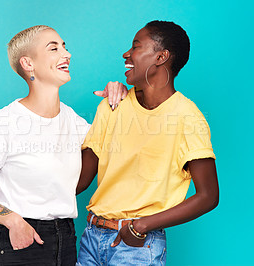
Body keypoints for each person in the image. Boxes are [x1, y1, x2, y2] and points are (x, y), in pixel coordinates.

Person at [0, 25, 127, 266]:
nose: (66, 54)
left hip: (66, 240)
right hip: (19, 242)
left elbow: (119, 142)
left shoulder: (73, 120)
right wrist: (12, 221)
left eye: (65, 47)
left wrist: (120, 96)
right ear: (28, 63)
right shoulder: (2, 122)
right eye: (54, 48)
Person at [76, 20, 219, 265]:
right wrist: (17, 210)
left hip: (138, 246)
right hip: (91, 239)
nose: (126, 54)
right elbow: (79, 180)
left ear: (161, 57)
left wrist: (142, 225)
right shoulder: (112, 105)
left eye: (136, 46)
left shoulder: (188, 118)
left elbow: (208, 195)